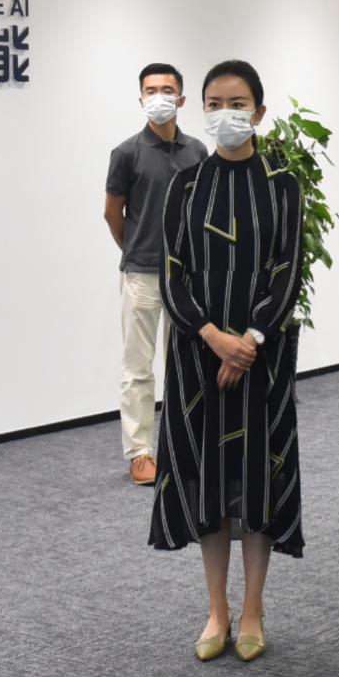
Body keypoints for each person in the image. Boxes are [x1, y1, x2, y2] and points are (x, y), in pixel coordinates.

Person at [149, 60, 306, 664]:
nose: (224, 114)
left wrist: (250, 340)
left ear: (259, 112)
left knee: (257, 478)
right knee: (207, 480)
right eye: (213, 103)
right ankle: (216, 609)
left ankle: (253, 610)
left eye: (236, 103)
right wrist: (215, 336)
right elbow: (172, 275)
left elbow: (287, 271)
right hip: (198, 358)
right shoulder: (185, 186)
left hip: (262, 359)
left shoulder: (283, 184)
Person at [105, 64, 207, 486]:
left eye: (167, 89)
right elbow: (113, 213)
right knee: (138, 369)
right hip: (143, 275)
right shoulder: (126, 153)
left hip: (187, 277)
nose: (159, 96)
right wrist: (136, 249)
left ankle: (182, 446)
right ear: (140, 98)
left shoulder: (197, 151)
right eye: (151, 90)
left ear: (181, 98)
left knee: (185, 366)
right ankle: (140, 453)